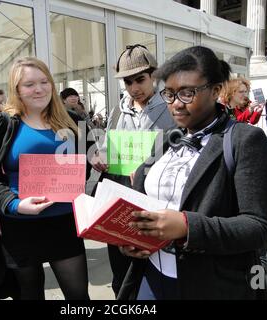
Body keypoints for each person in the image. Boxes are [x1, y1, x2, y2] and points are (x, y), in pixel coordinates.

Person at [117, 46, 267, 300]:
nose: (176, 104)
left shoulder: (245, 140)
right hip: (151, 274)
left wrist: (187, 227)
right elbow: (140, 201)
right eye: (169, 94)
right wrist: (129, 238)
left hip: (209, 283)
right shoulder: (166, 139)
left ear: (215, 91)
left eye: (187, 93)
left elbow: (258, 227)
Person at [0, 57, 90, 300]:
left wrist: (96, 159)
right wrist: (14, 204)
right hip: (19, 225)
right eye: (29, 84)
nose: (39, 89)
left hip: (64, 223)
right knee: (30, 295)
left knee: (79, 298)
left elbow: (87, 166)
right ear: (17, 89)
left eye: (44, 81)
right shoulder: (1, 124)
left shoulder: (73, 120)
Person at [92, 44, 175, 297]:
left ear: (154, 76)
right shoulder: (118, 109)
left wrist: (147, 169)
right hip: (121, 197)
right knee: (121, 267)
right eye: (128, 82)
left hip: (157, 199)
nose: (134, 88)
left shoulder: (173, 107)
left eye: (140, 79)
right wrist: (100, 157)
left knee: (152, 265)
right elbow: (107, 147)